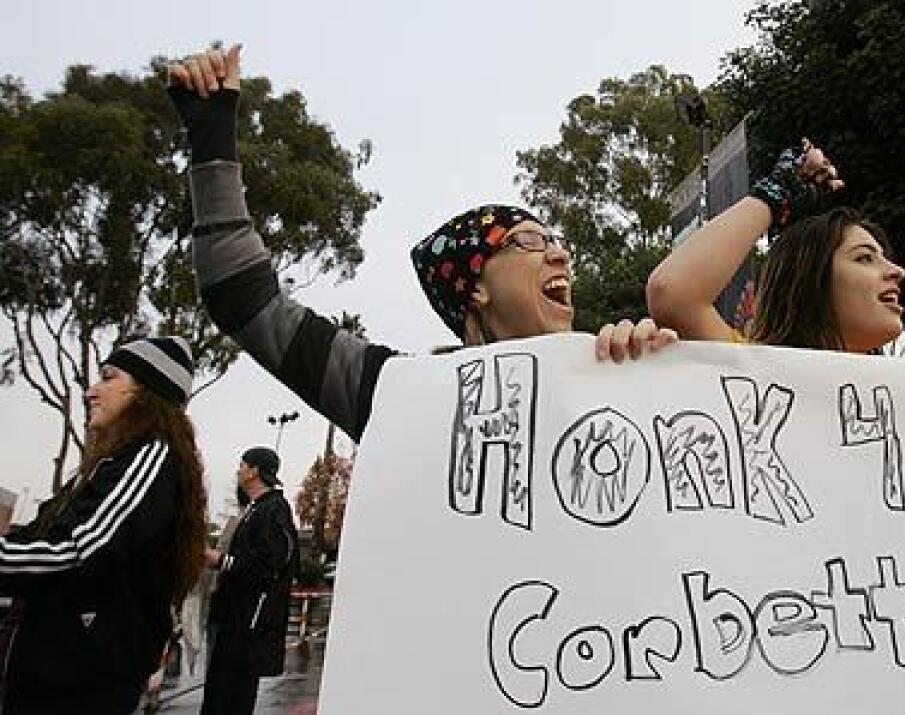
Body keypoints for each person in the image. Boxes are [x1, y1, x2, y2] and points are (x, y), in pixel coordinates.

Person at [167, 43, 676, 447]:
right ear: (476, 288)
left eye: (557, 242)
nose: (560, 255)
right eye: (526, 241)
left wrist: (656, 376)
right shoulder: (394, 393)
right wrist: (212, 135)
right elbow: (244, 300)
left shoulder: (615, 374)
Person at [646, 141, 905, 602]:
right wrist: (776, 195)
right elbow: (672, 292)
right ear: (808, 280)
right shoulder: (753, 382)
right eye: (864, 258)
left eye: (885, 258)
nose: (896, 271)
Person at [0, 336, 207, 714]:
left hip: (79, 685)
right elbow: (42, 533)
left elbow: (76, 552)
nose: (91, 391)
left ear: (147, 393)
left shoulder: (151, 458)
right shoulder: (113, 462)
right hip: (53, 677)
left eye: (109, 377)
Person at [201, 446, 298, 715]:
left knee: (232, 694)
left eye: (243, 465)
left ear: (255, 471)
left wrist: (221, 561)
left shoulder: (274, 509)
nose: (238, 470)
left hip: (247, 622)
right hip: (233, 615)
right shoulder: (255, 509)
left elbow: (272, 563)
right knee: (220, 689)